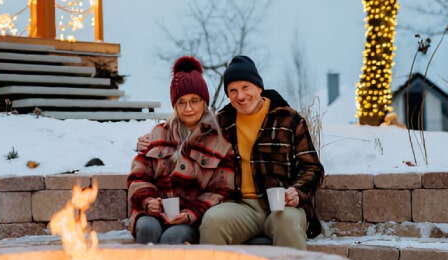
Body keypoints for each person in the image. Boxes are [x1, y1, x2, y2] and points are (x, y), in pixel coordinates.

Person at [138, 55, 324, 249]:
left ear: (259, 87)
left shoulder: (289, 120)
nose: (240, 96)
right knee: (212, 221)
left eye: (245, 87)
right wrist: (151, 141)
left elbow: (312, 167)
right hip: (240, 207)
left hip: (281, 206)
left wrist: (298, 192)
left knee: (287, 222)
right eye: (233, 91)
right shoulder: (223, 122)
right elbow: (185, 136)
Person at [127, 56, 235, 245]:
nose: (188, 108)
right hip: (154, 212)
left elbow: (221, 190)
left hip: (190, 219)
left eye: (195, 100)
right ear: (174, 106)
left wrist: (189, 214)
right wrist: (148, 201)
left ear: (204, 103)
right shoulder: (159, 133)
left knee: (172, 238)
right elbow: (139, 176)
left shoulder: (219, 143)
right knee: (146, 229)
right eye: (181, 102)